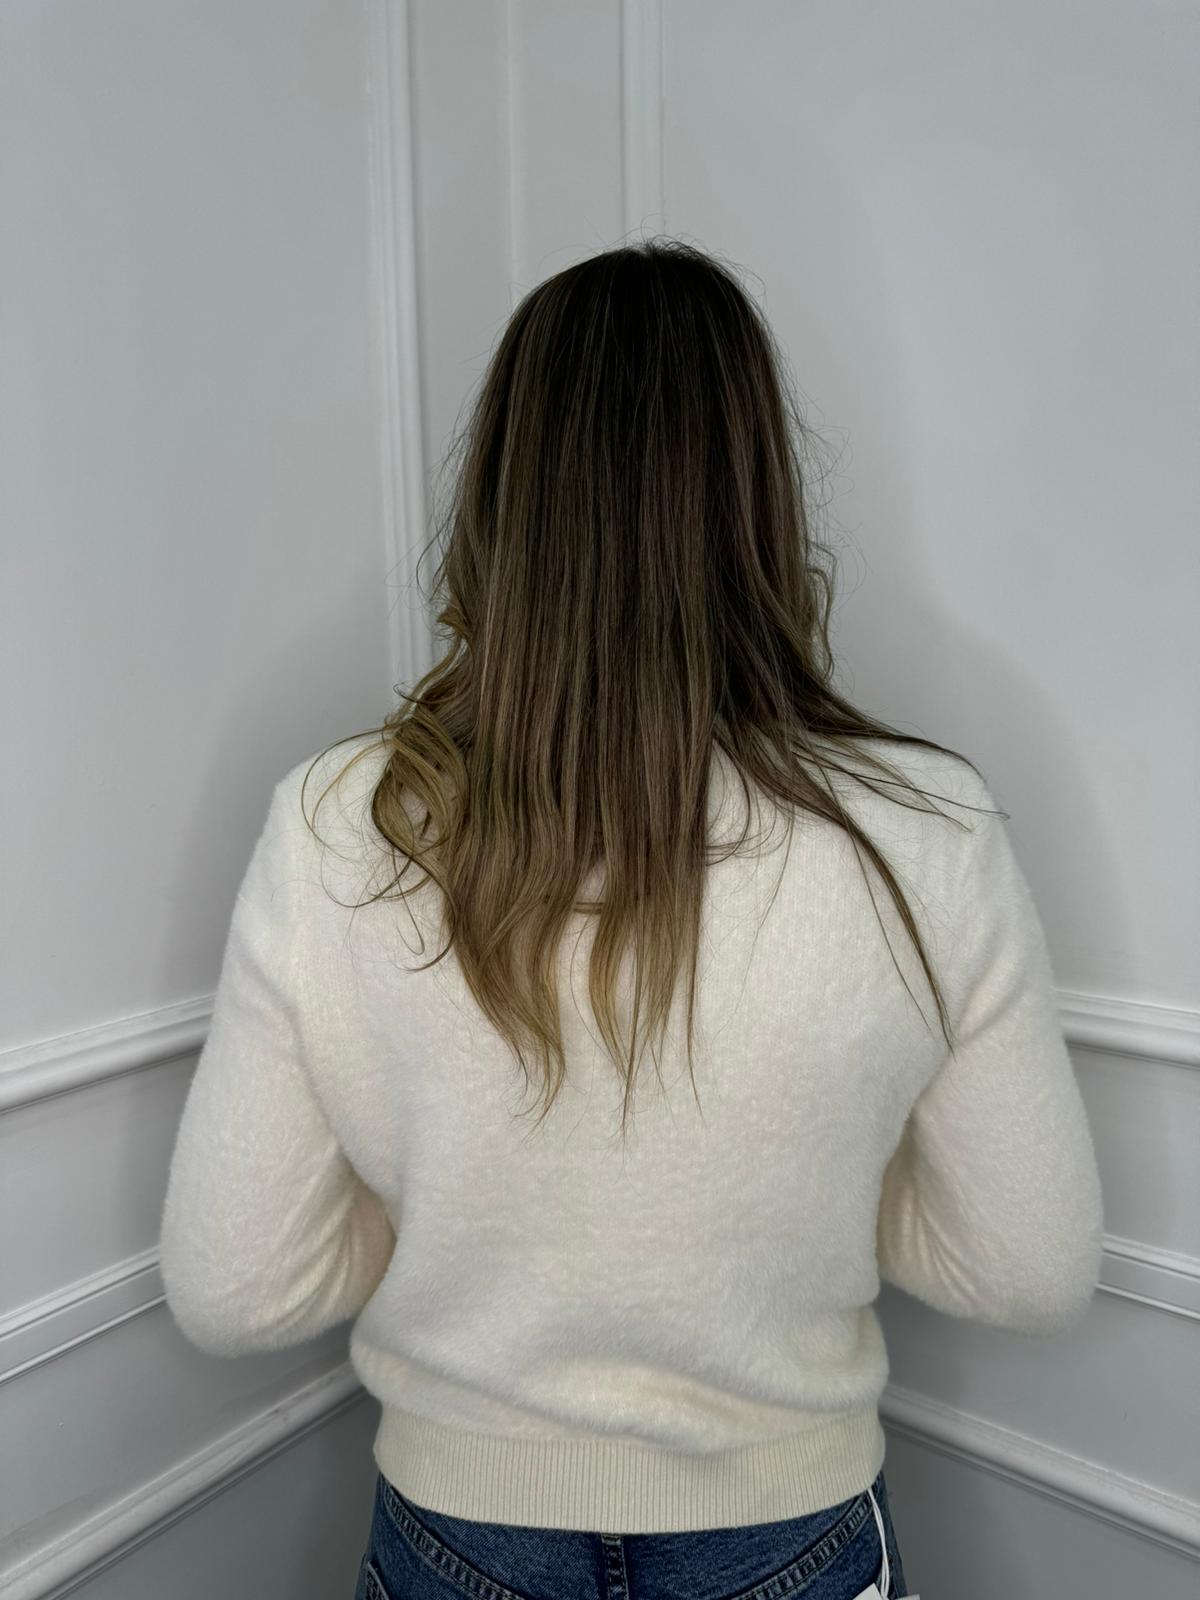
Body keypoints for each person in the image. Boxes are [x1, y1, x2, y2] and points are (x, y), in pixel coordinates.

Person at [159, 240, 1104, 1599]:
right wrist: (811, 1188)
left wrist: (448, 1213)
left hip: (454, 1537)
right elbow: (1031, 1269)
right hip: (792, 1533)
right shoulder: (926, 827)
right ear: (757, 497)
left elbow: (235, 1287)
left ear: (501, 495)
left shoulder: (338, 821)